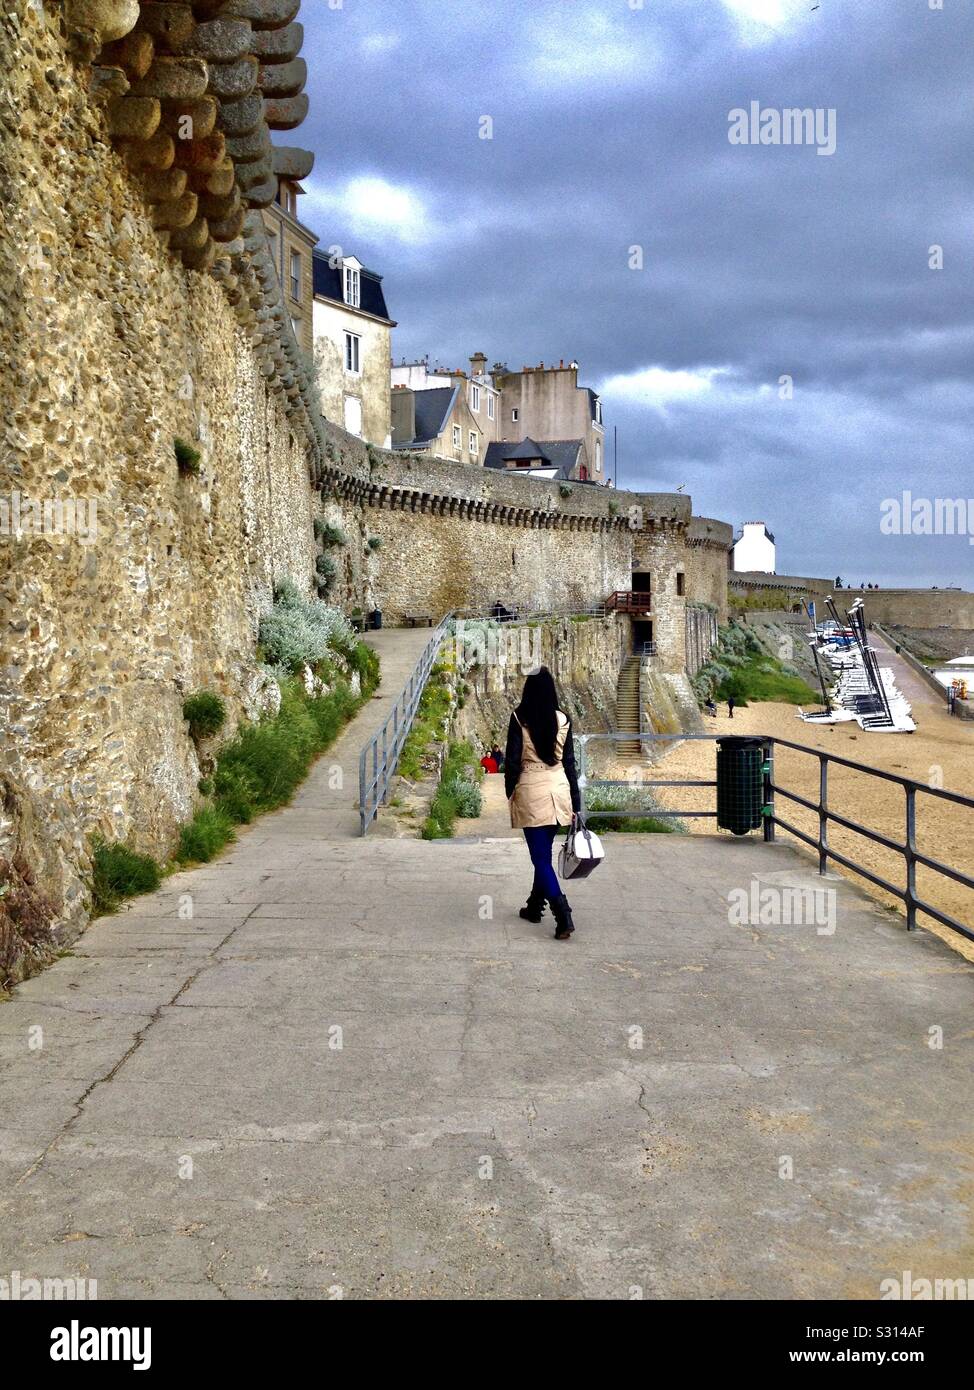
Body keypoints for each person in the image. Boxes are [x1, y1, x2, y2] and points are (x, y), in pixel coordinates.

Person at [504, 667, 581, 940]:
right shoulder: (563, 719)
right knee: (543, 855)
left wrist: (510, 789)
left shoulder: (519, 718)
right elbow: (570, 763)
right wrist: (576, 802)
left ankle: (563, 915)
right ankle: (534, 907)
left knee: (539, 858)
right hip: (559, 789)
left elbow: (512, 760)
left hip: (531, 789)